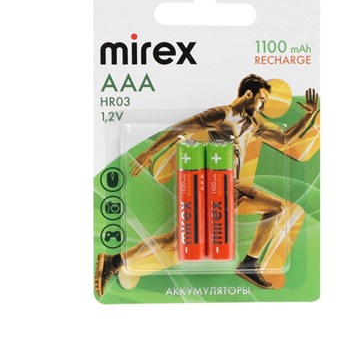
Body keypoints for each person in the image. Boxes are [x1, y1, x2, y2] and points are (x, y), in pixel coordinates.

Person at [95, 74, 319, 297]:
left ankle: (249, 263)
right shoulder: (222, 114)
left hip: (230, 188)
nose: (263, 105)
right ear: (248, 94)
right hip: (213, 187)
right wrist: (149, 152)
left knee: (274, 208)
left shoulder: (253, 123)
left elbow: (285, 139)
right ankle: (116, 260)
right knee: (176, 240)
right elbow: (181, 128)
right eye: (261, 100)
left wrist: (309, 115)